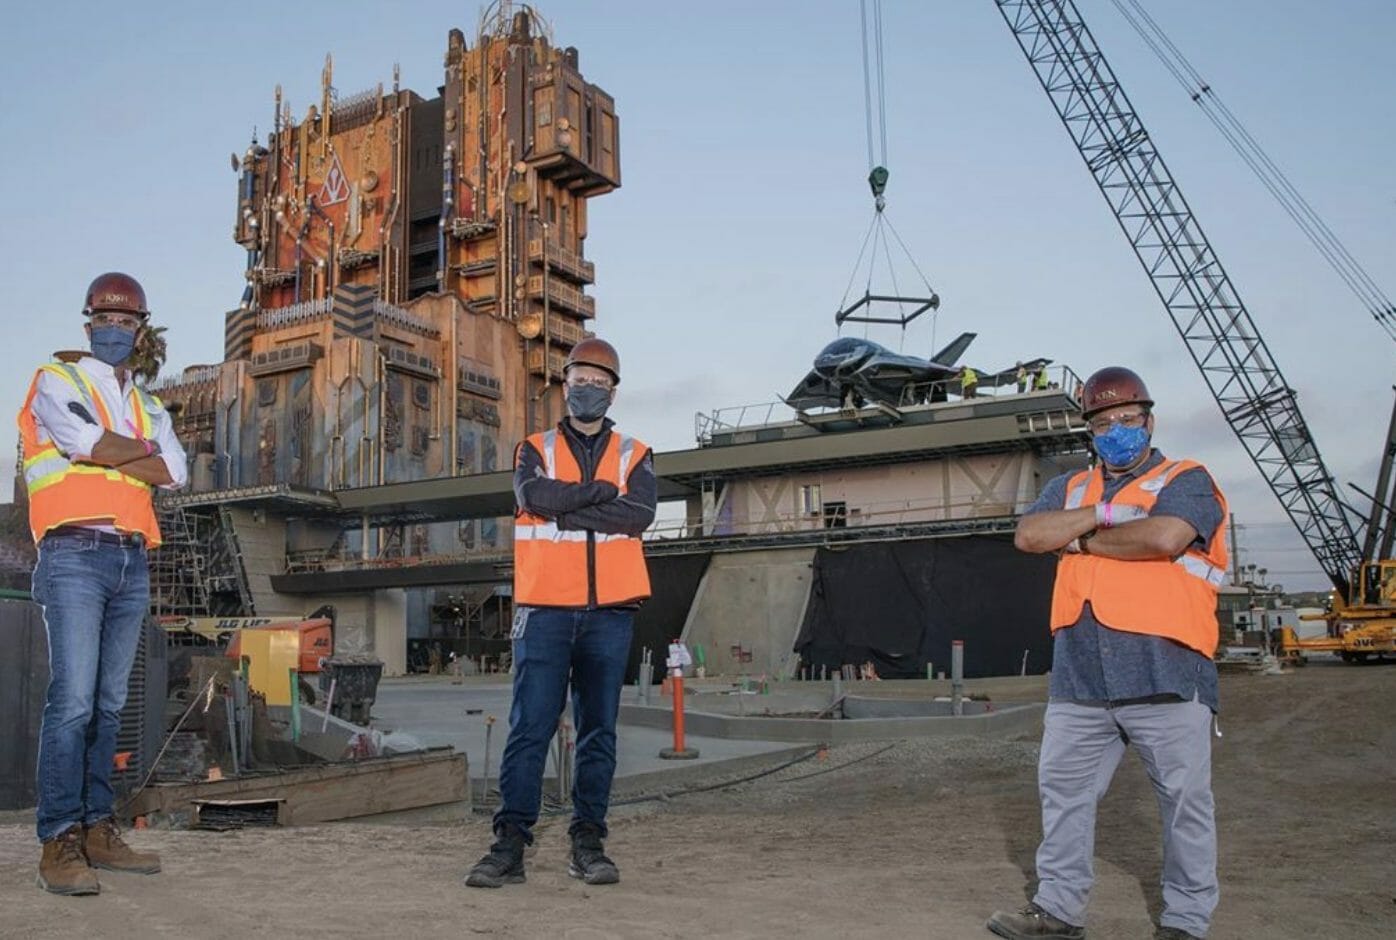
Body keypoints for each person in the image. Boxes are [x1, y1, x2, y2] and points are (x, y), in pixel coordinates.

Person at [987, 366, 1228, 940]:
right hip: (1081, 677)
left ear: (1149, 421)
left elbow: (1166, 537)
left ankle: (1186, 922)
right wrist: (1104, 513)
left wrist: (1082, 539)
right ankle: (1058, 911)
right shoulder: (1070, 488)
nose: (1117, 429)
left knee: (1185, 805)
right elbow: (1029, 536)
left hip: (1166, 667)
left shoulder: (1186, 478)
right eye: (1103, 423)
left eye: (1128, 419)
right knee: (1064, 797)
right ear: (1089, 432)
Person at [466, 337, 657, 890]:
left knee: (599, 731)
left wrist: (568, 506)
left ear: (613, 391)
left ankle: (588, 843)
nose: (588, 389)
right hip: (546, 609)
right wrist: (598, 496)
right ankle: (509, 848)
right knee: (530, 728)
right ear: (564, 382)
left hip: (609, 613)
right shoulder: (534, 448)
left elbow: (637, 515)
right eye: (580, 379)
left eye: (600, 382)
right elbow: (532, 494)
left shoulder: (636, 453)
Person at [20, 272, 188, 895]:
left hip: (130, 560)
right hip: (73, 555)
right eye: (106, 321)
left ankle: (97, 827)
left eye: (127, 322)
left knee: (111, 705)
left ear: (140, 330)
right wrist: (130, 451)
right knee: (73, 702)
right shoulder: (57, 381)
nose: (116, 331)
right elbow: (77, 438)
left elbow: (176, 471)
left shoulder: (149, 404)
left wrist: (112, 450)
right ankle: (58, 839)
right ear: (88, 321)